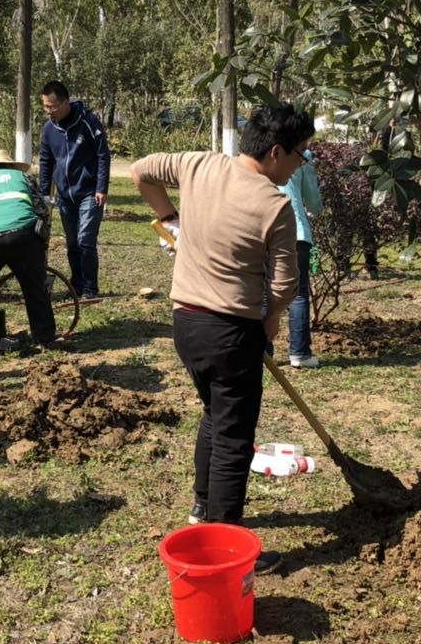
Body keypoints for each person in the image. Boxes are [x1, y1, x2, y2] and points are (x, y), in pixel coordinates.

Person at [132, 104, 313, 575]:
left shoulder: (199, 164)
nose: (300, 165)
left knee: (216, 415)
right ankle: (224, 542)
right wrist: (272, 318)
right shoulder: (274, 205)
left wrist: (170, 218)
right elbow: (285, 283)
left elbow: (140, 171)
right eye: (300, 155)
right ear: (276, 152)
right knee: (235, 436)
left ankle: (202, 506)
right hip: (233, 332)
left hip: (186, 324)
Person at [0, 149, 57, 346]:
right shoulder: (23, 177)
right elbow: (41, 209)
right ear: (10, 165)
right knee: (35, 287)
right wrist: (41, 243)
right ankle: (44, 338)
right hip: (23, 234)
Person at [37, 80, 110, 300]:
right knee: (72, 243)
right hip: (64, 195)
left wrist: (101, 187)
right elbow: (45, 161)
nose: (49, 111)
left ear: (65, 103)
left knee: (85, 240)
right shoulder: (49, 129)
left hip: (89, 192)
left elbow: (103, 155)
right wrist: (44, 193)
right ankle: (77, 286)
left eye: (52, 106)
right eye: (45, 106)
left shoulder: (88, 121)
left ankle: (90, 288)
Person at [281, 147, 324, 368]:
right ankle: (300, 353)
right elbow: (312, 197)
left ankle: (263, 352)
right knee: (298, 293)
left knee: (263, 292)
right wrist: (317, 209)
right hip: (296, 230)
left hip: (261, 230)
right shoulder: (300, 152)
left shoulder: (255, 150)